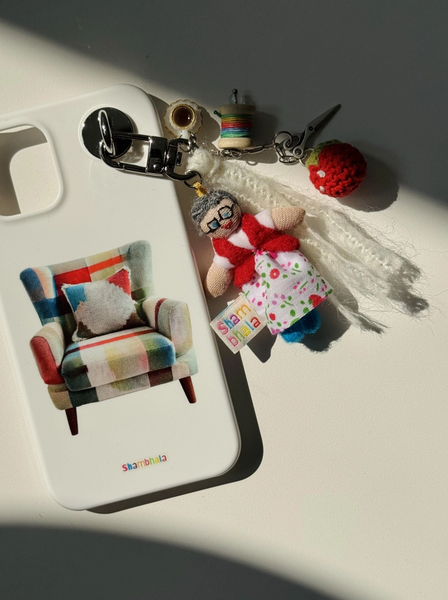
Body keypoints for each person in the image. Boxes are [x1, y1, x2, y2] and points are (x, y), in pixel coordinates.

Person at [191, 190, 333, 343]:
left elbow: (277, 218)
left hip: (281, 261)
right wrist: (212, 287)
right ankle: (289, 328)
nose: (225, 223)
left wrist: (293, 215)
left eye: (225, 213)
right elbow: (219, 271)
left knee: (298, 287)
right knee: (273, 304)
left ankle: (309, 314)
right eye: (214, 224)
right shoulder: (224, 250)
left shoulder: (255, 222)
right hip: (256, 277)